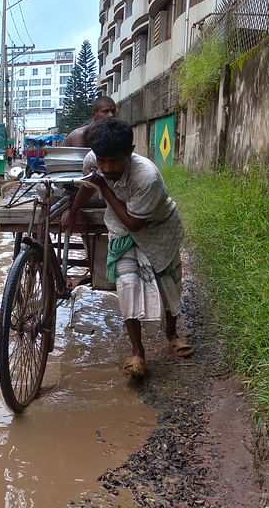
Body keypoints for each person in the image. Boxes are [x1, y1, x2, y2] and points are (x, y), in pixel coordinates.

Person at [61, 118, 194, 379]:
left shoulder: (147, 177)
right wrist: (73, 211)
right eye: (103, 161)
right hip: (122, 230)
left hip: (157, 228)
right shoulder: (93, 160)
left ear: (130, 151)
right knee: (128, 284)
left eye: (114, 161)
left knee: (167, 282)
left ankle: (172, 335)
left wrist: (103, 188)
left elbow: (134, 222)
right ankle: (137, 352)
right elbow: (89, 187)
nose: (107, 168)